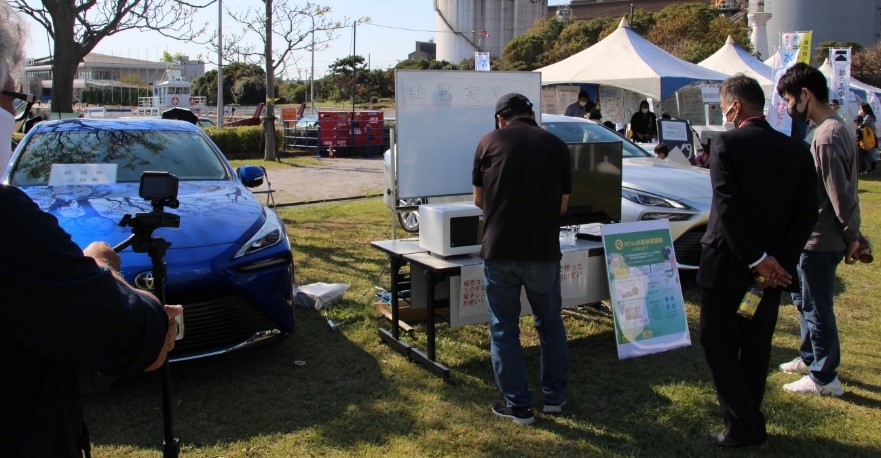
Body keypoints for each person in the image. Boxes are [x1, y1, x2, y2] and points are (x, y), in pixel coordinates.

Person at [0, 3, 182, 455]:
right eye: (11, 97)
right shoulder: (9, 221)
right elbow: (137, 334)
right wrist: (101, 265)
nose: (12, 110)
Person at [697, 74, 818, 448]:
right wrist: (778, 260)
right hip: (771, 274)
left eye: (723, 106)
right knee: (754, 345)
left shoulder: (726, 144)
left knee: (717, 343)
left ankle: (745, 425)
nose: (723, 114)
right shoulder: (796, 150)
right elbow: (807, 212)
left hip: (728, 266)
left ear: (735, 105)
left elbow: (728, 206)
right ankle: (744, 425)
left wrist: (760, 259)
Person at [472, 93, 571, 425]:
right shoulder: (557, 145)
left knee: (504, 328)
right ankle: (555, 398)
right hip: (542, 250)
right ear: (531, 114)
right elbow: (562, 205)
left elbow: (478, 199)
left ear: (501, 118)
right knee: (551, 324)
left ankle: (519, 406)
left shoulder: (487, 142)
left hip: (499, 250)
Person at [776, 62, 865, 397]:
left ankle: (825, 377)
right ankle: (809, 355)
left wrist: (852, 236)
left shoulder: (826, 136)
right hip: (811, 236)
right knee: (803, 299)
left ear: (805, 94)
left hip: (821, 238)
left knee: (817, 306)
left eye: (788, 99)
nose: (787, 107)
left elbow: (839, 193)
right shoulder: (835, 127)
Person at [857, 102, 877, 173]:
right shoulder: (867, 116)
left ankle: (873, 168)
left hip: (869, 137)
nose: (859, 110)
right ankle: (868, 168)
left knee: (871, 152)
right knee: (867, 152)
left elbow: (862, 125)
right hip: (866, 136)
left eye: (860, 108)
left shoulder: (869, 117)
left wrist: (859, 118)